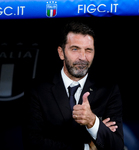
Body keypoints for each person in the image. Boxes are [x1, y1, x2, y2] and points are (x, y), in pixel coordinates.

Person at [22, 21, 124, 150]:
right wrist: (87, 148)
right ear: (61, 52)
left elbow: (117, 146)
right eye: (75, 49)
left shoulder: (108, 89)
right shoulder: (38, 89)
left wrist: (93, 122)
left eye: (88, 50)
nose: (82, 57)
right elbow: (32, 144)